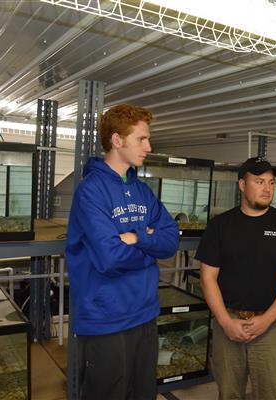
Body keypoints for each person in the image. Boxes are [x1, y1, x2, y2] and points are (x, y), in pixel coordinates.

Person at [66, 104, 179, 400]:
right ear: (117, 140)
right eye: (141, 139)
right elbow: (110, 257)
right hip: (105, 319)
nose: (148, 146)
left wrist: (135, 237)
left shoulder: (143, 191)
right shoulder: (90, 191)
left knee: (143, 394)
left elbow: (170, 241)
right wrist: (149, 244)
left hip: (144, 313)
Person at [195, 156, 276, 400]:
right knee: (229, 393)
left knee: (271, 393)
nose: (267, 188)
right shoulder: (220, 225)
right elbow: (207, 278)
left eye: (271, 182)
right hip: (228, 323)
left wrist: (266, 320)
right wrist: (225, 322)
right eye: (259, 181)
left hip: (270, 325)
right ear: (242, 185)